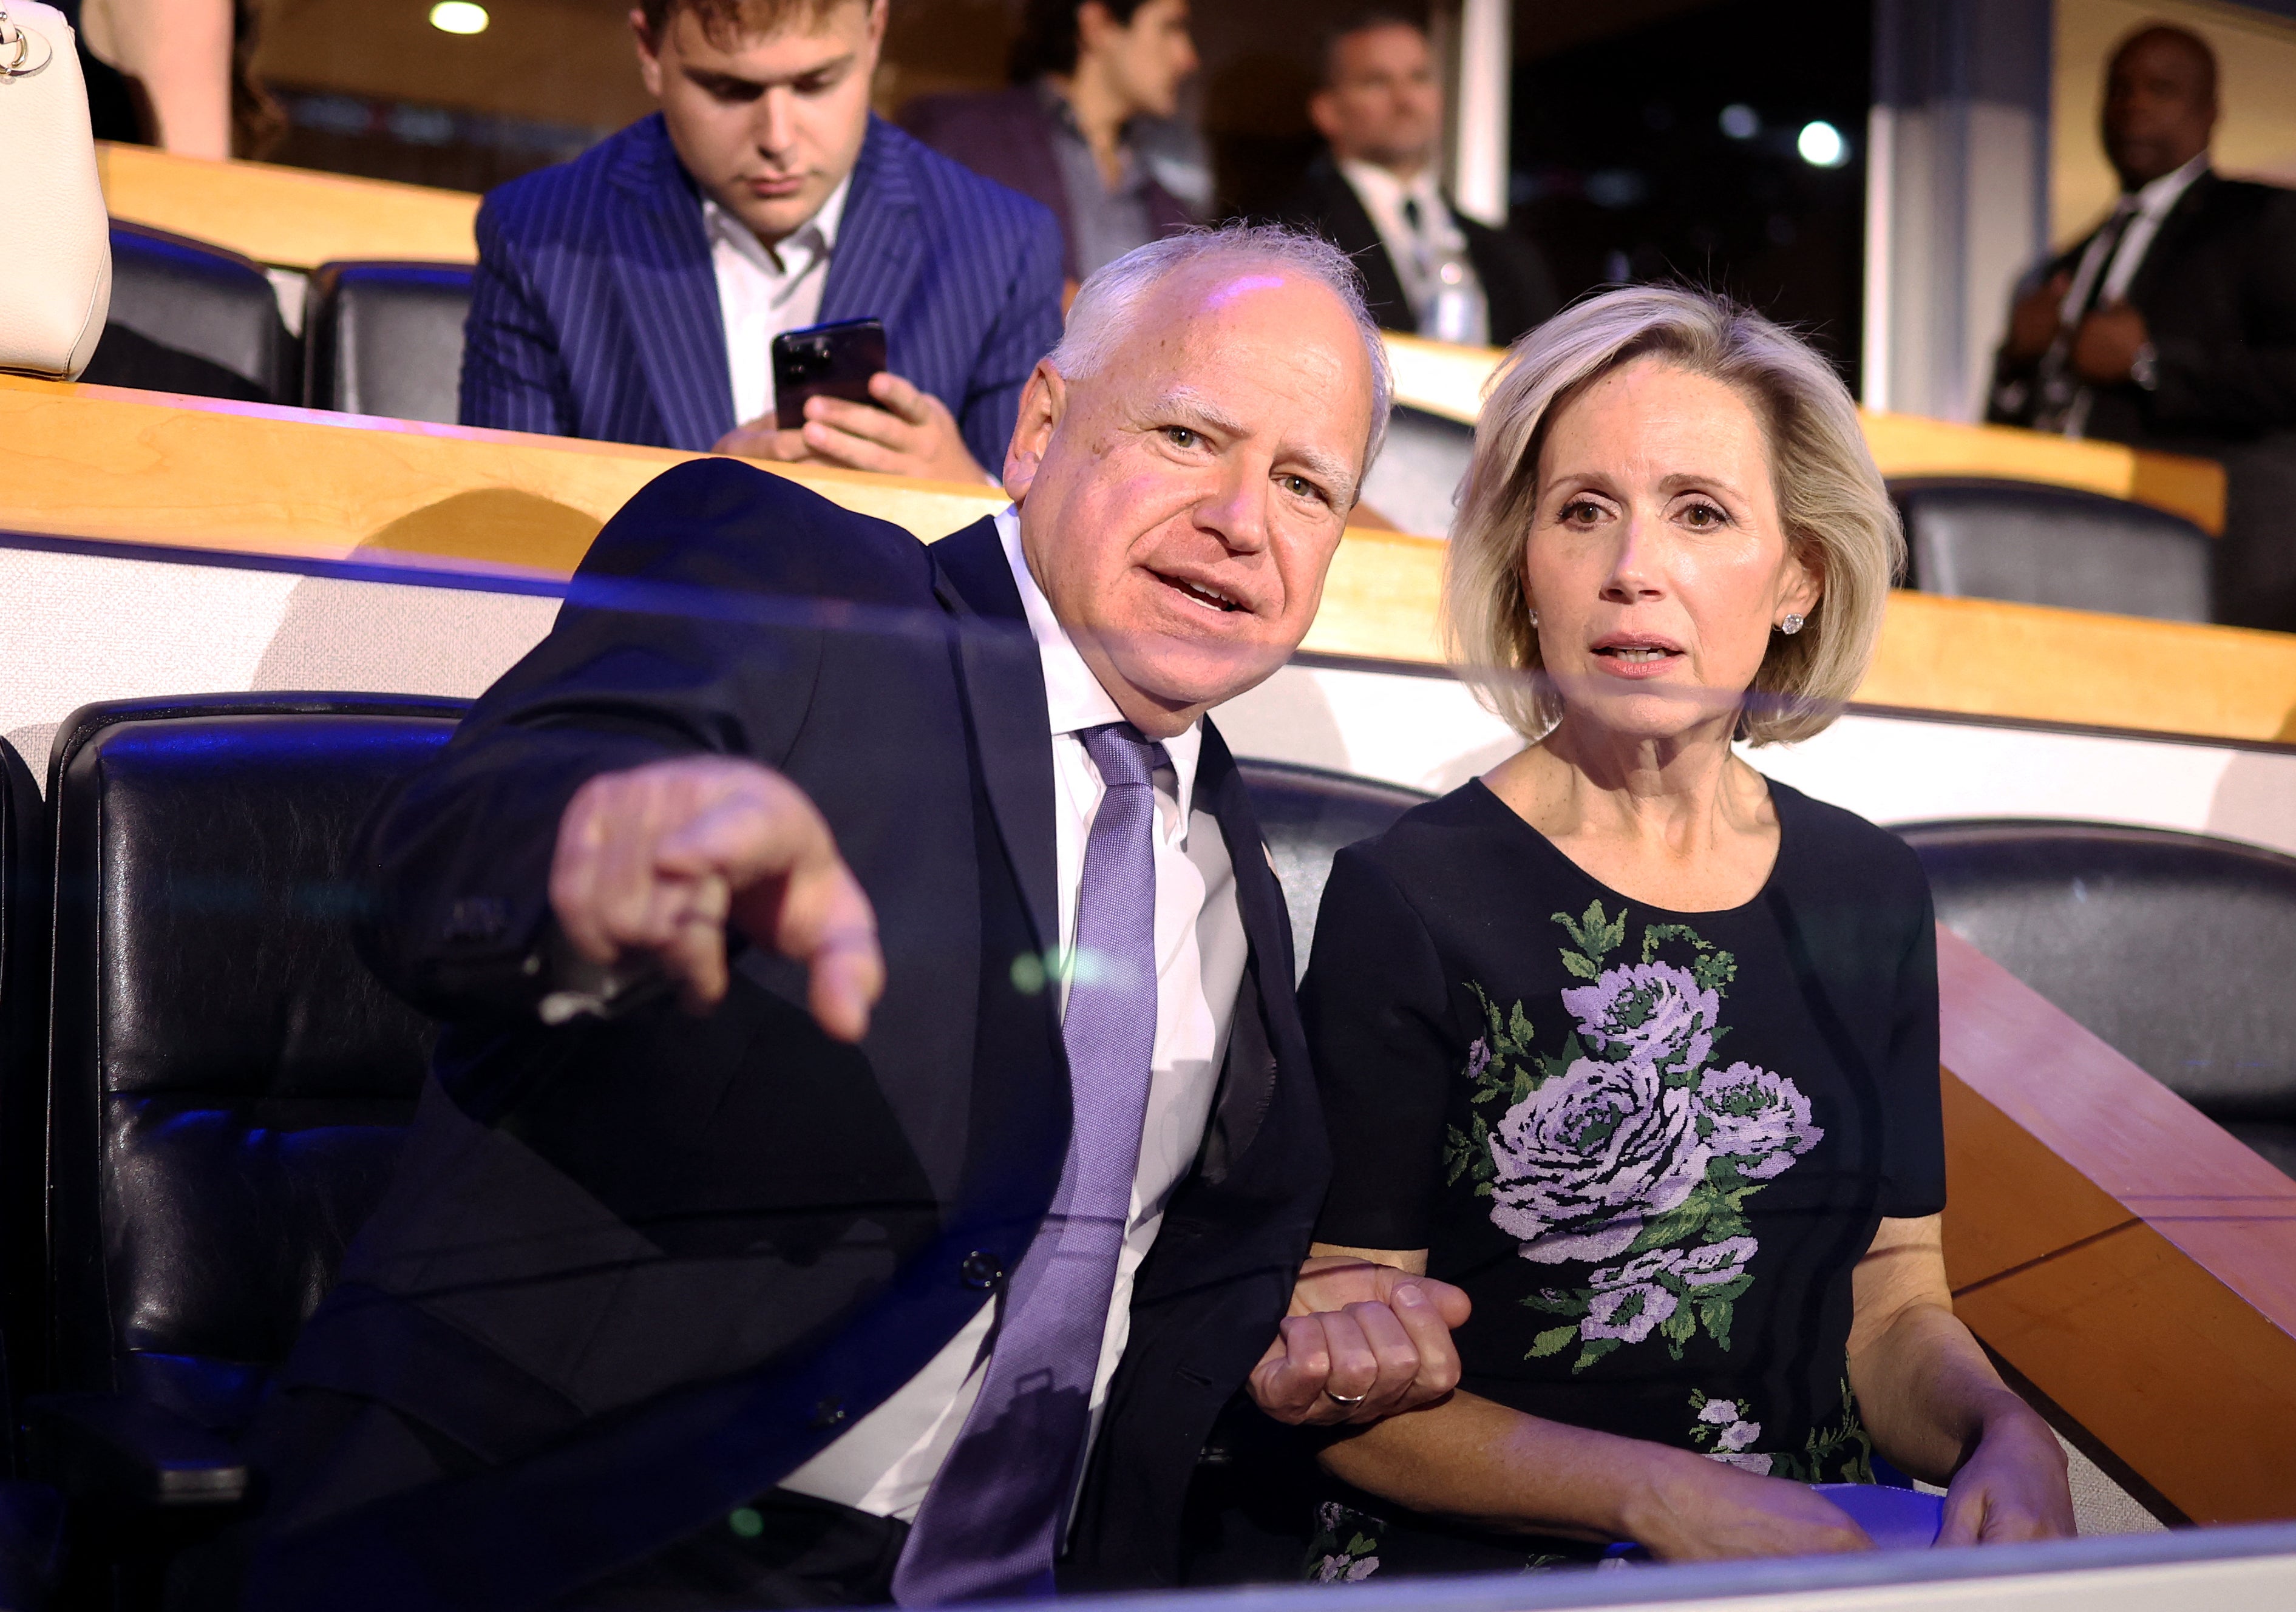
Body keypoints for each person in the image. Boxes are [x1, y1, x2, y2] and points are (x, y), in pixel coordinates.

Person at [237, 225, 1468, 1611]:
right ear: (1040, 429)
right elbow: (467, 846)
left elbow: (1120, 1277)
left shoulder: (1224, 853)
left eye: (1307, 485)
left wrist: (1289, 1336)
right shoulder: (806, 587)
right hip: (599, 1536)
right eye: (1191, 436)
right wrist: (594, 855)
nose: (1244, 517)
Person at [1291, 286, 2077, 1578]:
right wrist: (1658, 1496)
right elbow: (1337, 1380)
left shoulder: (1868, 888)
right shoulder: (1411, 896)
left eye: (1699, 512)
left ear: (1797, 578)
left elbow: (1891, 1300)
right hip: (1502, 1562)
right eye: (1582, 509)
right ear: (1523, 568)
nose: (1630, 567)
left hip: (1823, 1560)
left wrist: (2001, 1427)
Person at [458, 0, 1064, 486]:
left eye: (816, 83)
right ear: (649, 50)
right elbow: (508, 541)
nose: (778, 138)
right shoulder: (539, 236)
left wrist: (967, 494)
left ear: (875, 29)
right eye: (730, 90)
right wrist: (692, 512)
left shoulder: (1002, 246)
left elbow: (1025, 587)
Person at [1986, 23, 2296, 633]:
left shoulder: (2265, 220)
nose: (2134, 105)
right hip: (2077, 569)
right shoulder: (2062, 268)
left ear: (2210, 112)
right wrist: (2016, 364)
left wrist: (2151, 365)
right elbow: (2011, 434)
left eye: (2161, 88)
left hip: (2230, 574)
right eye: (2120, 89)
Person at [1276, 8, 1557, 350]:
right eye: (1377, 82)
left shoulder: (1510, 254)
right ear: (1328, 111)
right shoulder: (1289, 238)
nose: (1405, 100)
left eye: (1419, 78)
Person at [900, 0, 1198, 300]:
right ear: (1098, 26)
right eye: (1169, 27)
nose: (1188, 58)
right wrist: (1047, 303)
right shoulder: (964, 136)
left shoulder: (1168, 206)